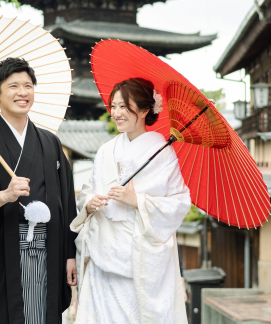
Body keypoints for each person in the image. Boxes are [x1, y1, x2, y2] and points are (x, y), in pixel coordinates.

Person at [0, 57, 78, 324]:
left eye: (28, 85)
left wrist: (69, 254)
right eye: (14, 86)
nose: (23, 93)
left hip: (49, 249)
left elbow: (67, 203)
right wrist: (4, 196)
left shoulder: (50, 143)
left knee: (43, 314)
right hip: (2, 253)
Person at [72, 78, 191, 324]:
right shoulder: (106, 150)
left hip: (138, 260)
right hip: (102, 255)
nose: (116, 113)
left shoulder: (162, 153)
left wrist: (138, 200)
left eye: (124, 107)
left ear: (145, 110)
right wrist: (90, 202)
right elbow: (87, 190)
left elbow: (179, 203)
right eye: (113, 106)